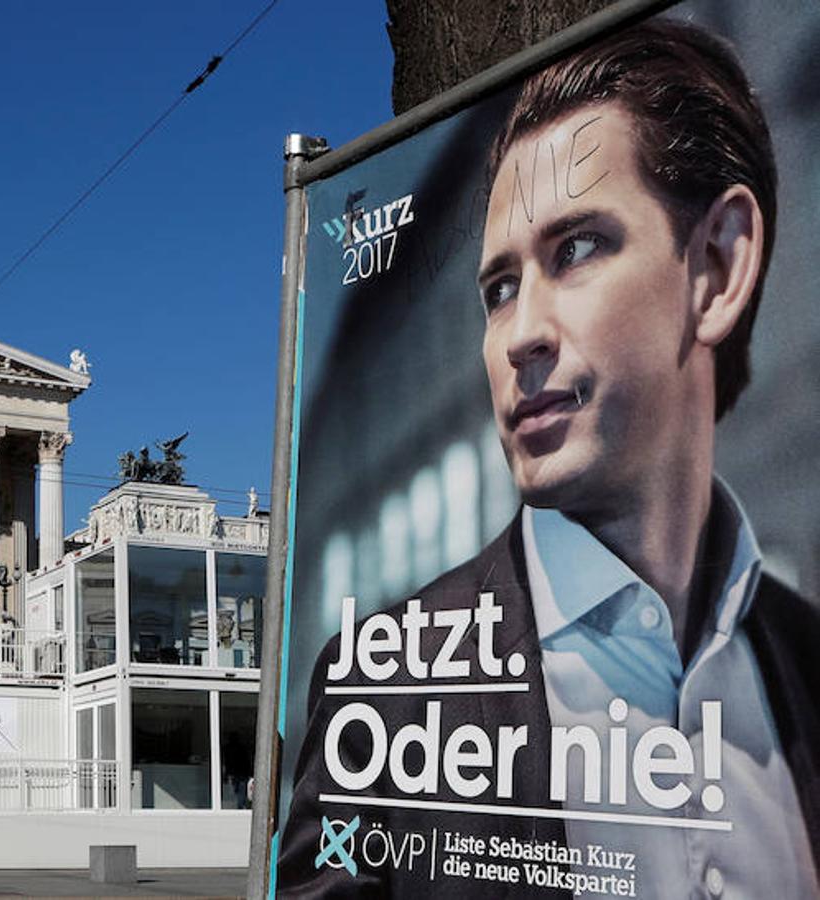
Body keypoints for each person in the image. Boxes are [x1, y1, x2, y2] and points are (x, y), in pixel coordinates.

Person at [278, 18, 819, 897]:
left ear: (715, 267)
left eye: (575, 249)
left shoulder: (804, 659)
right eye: (498, 289)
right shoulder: (384, 676)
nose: (519, 334)